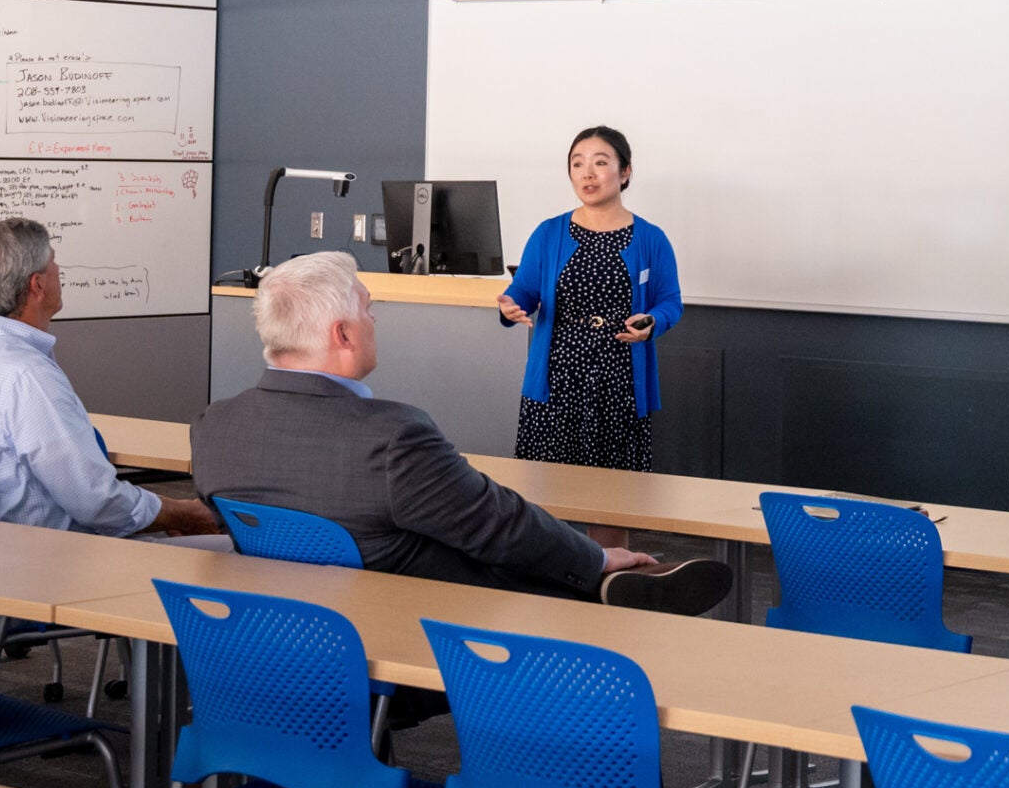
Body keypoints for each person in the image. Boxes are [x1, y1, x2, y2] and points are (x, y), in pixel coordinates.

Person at [197, 248, 729, 614]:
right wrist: (594, 557)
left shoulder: (212, 428)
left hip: (279, 638)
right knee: (528, 564)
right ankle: (610, 585)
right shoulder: (393, 437)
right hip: (419, 637)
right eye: (368, 310)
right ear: (341, 333)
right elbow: (497, 524)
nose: (374, 322)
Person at [0, 218, 219, 538]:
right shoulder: (27, 377)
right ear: (37, 285)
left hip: (0, 548)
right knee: (232, 551)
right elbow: (95, 502)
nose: (59, 271)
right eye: (54, 262)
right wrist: (181, 514)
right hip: (66, 558)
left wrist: (164, 515)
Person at [497, 125, 681, 548]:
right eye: (578, 164)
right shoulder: (549, 233)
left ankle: (610, 582)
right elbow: (522, 292)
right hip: (555, 380)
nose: (588, 173)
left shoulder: (650, 238)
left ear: (625, 172)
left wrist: (653, 322)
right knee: (543, 499)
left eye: (601, 163)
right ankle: (546, 586)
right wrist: (510, 305)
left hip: (619, 382)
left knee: (611, 500)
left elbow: (671, 302)